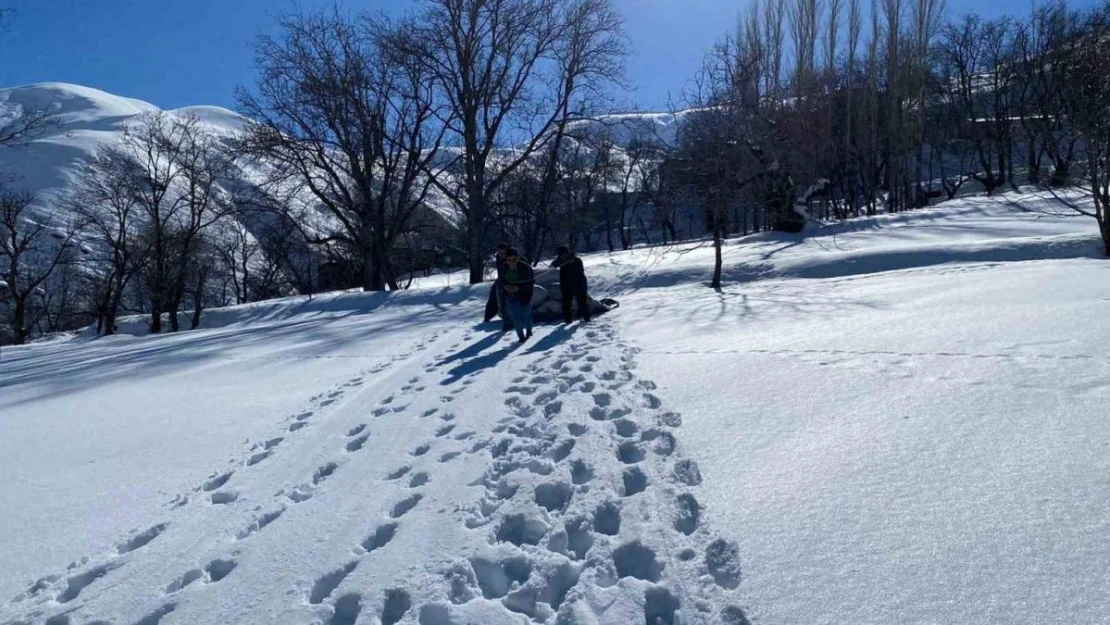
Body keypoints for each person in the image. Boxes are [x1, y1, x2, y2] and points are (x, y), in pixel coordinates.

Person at [551, 245, 590, 324]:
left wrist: (572, 264)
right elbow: (553, 265)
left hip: (579, 283)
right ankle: (568, 320)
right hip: (566, 285)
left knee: (582, 301)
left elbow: (580, 270)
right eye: (561, 255)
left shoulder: (577, 260)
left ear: (567, 253)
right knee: (566, 303)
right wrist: (559, 263)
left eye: (564, 254)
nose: (563, 256)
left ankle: (586, 318)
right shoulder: (559, 261)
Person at [502, 247, 534, 342]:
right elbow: (501, 280)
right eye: (509, 260)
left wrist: (519, 288)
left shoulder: (526, 268)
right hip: (511, 296)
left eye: (513, 259)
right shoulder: (504, 267)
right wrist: (505, 287)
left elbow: (530, 283)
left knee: (527, 315)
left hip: (525, 296)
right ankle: (520, 336)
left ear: (517, 258)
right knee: (516, 317)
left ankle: (529, 331)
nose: (511, 262)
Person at [484, 242, 511, 328]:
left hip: (511, 280)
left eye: (503, 253)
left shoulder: (511, 257)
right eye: (500, 253)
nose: (501, 255)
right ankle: (488, 316)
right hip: (501, 280)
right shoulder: (498, 258)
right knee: (494, 297)